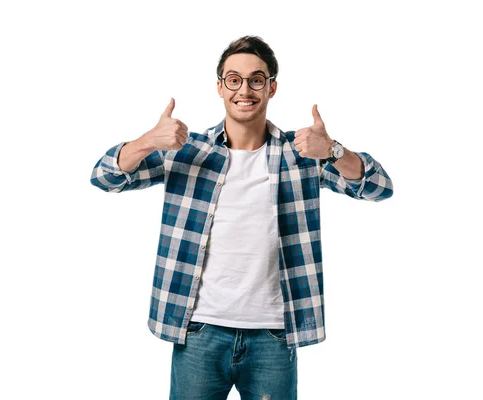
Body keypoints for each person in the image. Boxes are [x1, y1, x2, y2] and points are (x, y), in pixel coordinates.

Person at [90, 35, 393, 400]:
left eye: (256, 79)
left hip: (275, 336)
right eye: (233, 79)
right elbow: (104, 177)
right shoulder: (187, 151)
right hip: (199, 331)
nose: (244, 89)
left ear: (272, 87)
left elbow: (378, 187)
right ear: (220, 87)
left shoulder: (302, 154)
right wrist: (147, 142)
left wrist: (332, 150)